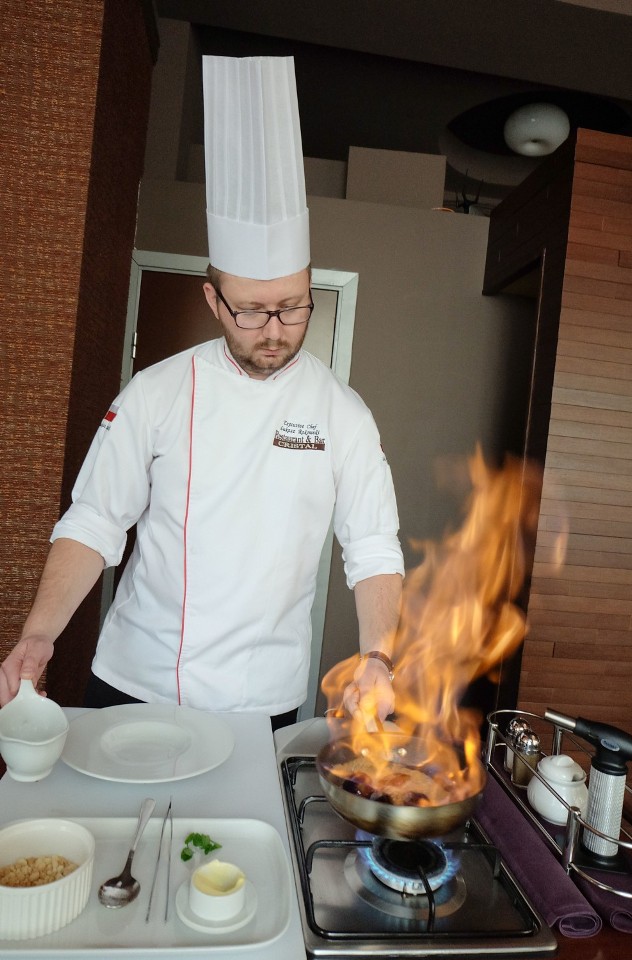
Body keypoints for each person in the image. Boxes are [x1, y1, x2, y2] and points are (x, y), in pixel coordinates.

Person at [0, 57, 404, 730]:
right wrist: (38, 637)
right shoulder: (155, 393)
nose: (274, 331)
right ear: (213, 299)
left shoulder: (344, 415)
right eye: (251, 311)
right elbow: (95, 520)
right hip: (135, 680)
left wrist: (379, 657)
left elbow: (373, 547)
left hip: (261, 701)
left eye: (294, 307)